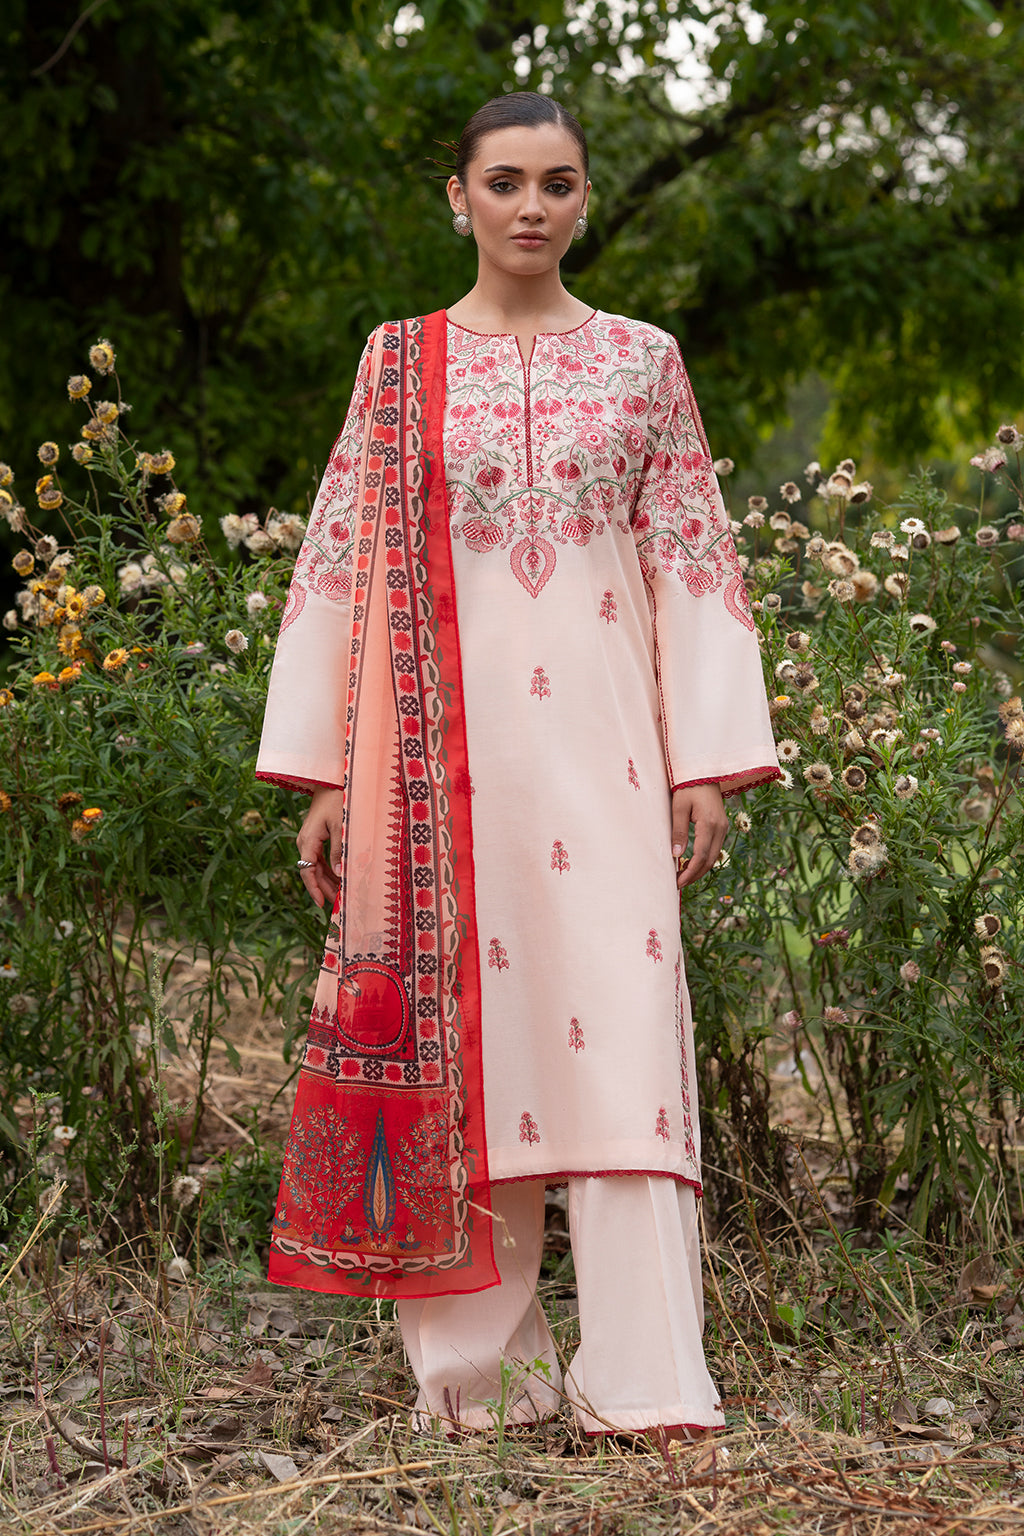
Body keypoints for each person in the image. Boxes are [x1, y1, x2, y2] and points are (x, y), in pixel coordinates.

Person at [256, 90, 780, 1442]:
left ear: (586, 200)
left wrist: (702, 762)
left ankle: (647, 1379)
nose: (532, 206)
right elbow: (341, 559)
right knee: (465, 1051)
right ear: (459, 197)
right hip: (435, 771)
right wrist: (328, 773)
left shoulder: (643, 362)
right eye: (505, 183)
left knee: (623, 1051)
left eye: (557, 183)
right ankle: (479, 1389)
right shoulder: (398, 362)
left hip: (609, 755)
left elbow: (688, 557)